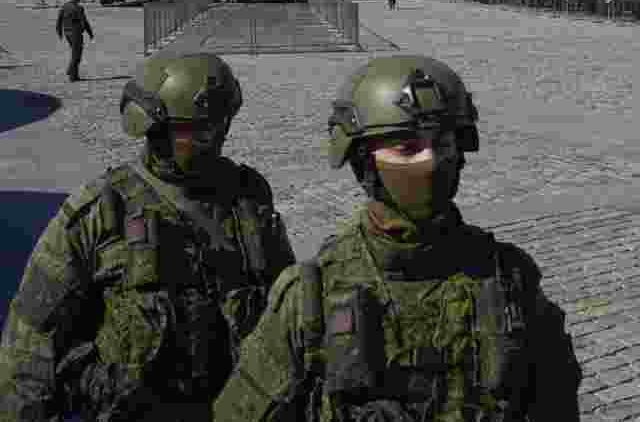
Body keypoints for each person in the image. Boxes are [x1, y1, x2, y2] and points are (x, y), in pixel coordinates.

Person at [213, 55, 582, 422]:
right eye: (407, 149)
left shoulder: (509, 278)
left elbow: (556, 401)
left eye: (443, 143)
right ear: (363, 162)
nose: (431, 161)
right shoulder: (312, 295)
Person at [0, 53, 297, 421]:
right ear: (156, 130)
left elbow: (286, 311)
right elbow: (30, 348)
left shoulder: (249, 199)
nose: (211, 140)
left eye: (218, 127)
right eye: (196, 131)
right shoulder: (101, 213)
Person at [55, 0, 94, 81]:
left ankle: (75, 75)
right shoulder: (78, 8)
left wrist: (59, 32)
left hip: (67, 33)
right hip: (76, 34)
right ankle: (71, 73)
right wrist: (90, 33)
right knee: (76, 55)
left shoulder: (64, 6)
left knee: (75, 54)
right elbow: (84, 22)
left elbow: (59, 21)